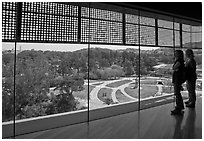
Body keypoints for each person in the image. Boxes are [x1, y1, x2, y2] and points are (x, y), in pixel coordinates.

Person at [171, 50, 185, 115]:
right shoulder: (180, 61)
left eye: (176, 53)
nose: (174, 54)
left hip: (177, 79)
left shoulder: (179, 61)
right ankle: (179, 107)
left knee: (177, 93)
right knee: (177, 93)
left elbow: (174, 68)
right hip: (178, 79)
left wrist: (175, 68)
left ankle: (179, 108)